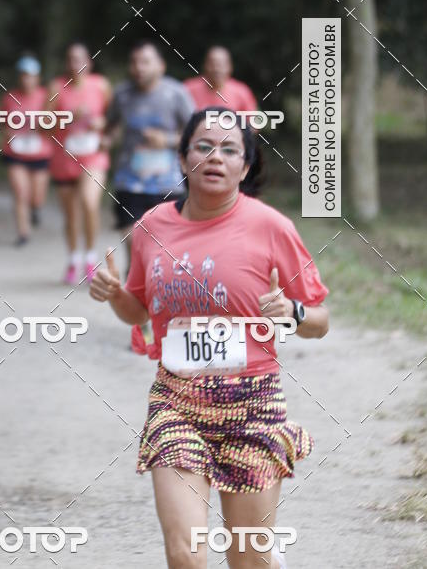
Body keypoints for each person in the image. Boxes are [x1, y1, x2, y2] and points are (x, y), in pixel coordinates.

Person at [90, 108, 329, 569]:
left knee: (247, 558)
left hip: (253, 405)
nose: (215, 157)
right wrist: (115, 294)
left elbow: (321, 320)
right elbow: (137, 311)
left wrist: (293, 312)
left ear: (245, 166)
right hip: (176, 402)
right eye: (203, 146)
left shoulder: (272, 227)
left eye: (229, 149)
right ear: (182, 159)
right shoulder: (151, 229)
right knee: (186, 555)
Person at [103, 40, 195, 261]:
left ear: (160, 66)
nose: (138, 67)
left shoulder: (176, 93)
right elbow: (110, 126)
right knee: (134, 245)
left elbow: (197, 132)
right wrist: (106, 139)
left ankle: (155, 288)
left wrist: (168, 140)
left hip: (168, 184)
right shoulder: (122, 94)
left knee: (165, 251)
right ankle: (135, 283)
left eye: (145, 62)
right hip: (129, 181)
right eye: (134, 62)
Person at [47, 42, 111, 284]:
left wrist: (102, 126)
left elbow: (113, 118)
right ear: (66, 64)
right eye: (71, 60)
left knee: (89, 202)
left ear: (89, 62)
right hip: (65, 159)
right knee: (71, 215)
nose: (76, 65)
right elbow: (43, 127)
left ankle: (91, 259)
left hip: (94, 156)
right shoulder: (57, 87)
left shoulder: (101, 85)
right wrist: (68, 118)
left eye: (80, 59)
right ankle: (74, 259)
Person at [0, 55, 52, 246]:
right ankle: (23, 233)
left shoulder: (46, 96)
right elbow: (2, 123)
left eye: (30, 76)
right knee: (21, 192)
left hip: (40, 152)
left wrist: (41, 125)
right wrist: (9, 132)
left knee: (36, 196)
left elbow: (54, 122)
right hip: (16, 153)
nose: (26, 79)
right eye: (23, 76)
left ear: (37, 77)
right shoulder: (9, 98)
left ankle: (36, 208)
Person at [185, 45, 257, 114]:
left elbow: (252, 123)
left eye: (221, 64)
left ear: (230, 67)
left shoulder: (242, 92)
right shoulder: (188, 89)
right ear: (205, 65)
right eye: (212, 64)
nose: (217, 69)